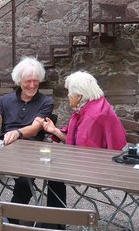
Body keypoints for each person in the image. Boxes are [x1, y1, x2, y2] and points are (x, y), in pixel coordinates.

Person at [39, 70, 127, 219]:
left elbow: (81, 152)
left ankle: (55, 221)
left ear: (79, 96)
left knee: (52, 171)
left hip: (102, 167)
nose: (67, 96)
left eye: (69, 92)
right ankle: (55, 220)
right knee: (53, 168)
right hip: (106, 159)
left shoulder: (92, 116)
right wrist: (54, 130)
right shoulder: (94, 105)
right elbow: (77, 143)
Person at [0, 57, 54, 218]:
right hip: (4, 150)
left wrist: (18, 133)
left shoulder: (46, 102)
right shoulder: (5, 100)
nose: (32, 85)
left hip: (30, 152)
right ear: (19, 81)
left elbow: (34, 129)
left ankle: (10, 220)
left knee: (25, 182)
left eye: (36, 81)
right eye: (28, 81)